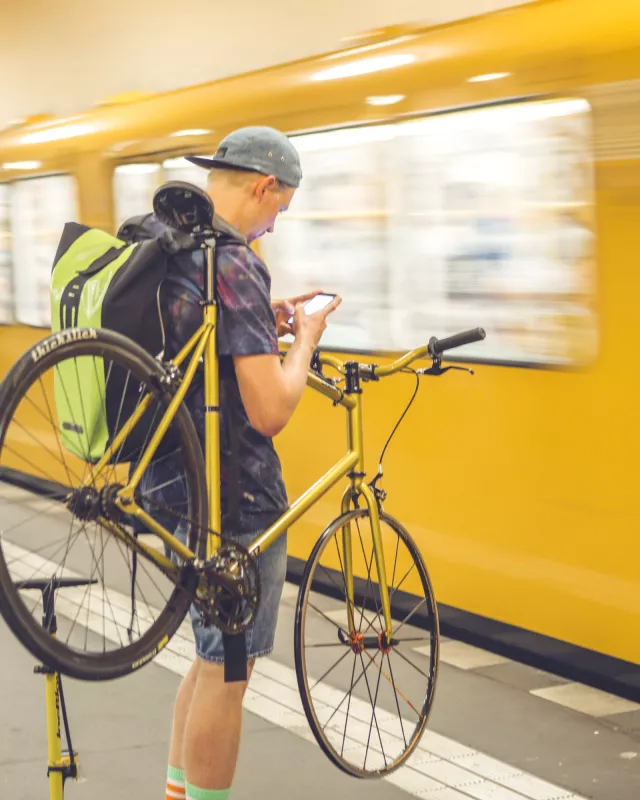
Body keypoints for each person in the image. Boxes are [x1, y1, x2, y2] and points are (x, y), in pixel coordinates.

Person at [138, 126, 341, 800]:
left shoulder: (174, 248)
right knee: (230, 671)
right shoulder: (233, 264)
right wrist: (304, 340)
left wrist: (262, 319)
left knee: (208, 659)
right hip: (236, 498)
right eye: (280, 207)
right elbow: (270, 409)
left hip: (174, 486)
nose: (275, 224)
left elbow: (205, 348)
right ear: (264, 186)